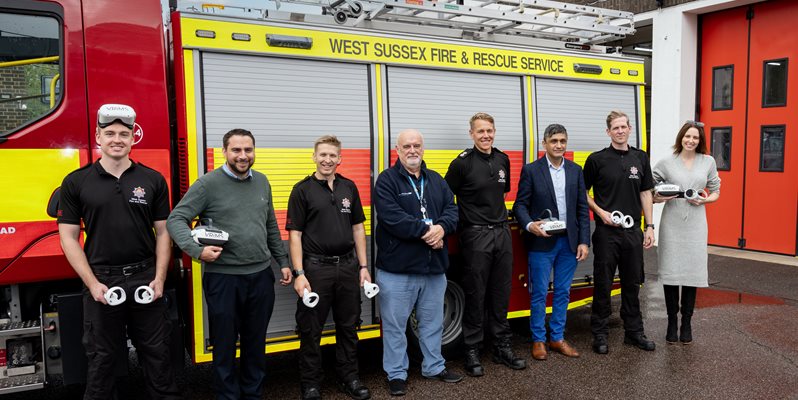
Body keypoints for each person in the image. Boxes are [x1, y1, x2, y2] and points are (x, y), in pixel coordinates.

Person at [57, 104, 181, 400]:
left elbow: (164, 232)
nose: (117, 139)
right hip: (102, 281)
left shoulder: (152, 180)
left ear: (133, 137)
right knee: (101, 362)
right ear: (97, 137)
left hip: (145, 279)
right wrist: (92, 284)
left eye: (124, 133)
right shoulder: (76, 182)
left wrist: (160, 278)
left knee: (158, 357)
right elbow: (68, 238)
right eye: (109, 133)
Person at [166, 128, 291, 400]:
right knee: (224, 346)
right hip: (224, 279)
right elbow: (175, 219)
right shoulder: (208, 184)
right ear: (224, 152)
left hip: (260, 276)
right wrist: (197, 251)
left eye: (248, 150)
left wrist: (282, 260)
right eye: (236, 150)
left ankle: (252, 394)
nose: (243, 156)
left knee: (255, 344)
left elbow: (269, 225)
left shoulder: (262, 181)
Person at [373, 129, 462, 396]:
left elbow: (452, 210)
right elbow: (391, 217)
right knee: (395, 325)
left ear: (423, 149)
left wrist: (442, 229)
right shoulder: (387, 181)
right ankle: (396, 374)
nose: (412, 150)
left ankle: (434, 366)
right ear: (397, 151)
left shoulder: (436, 180)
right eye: (407, 146)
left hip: (434, 267)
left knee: (432, 322)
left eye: (417, 145)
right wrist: (428, 232)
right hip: (397, 270)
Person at [286, 135, 371, 400]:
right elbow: (295, 235)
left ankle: (350, 377)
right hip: (315, 269)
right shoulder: (302, 190)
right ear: (314, 157)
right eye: (322, 155)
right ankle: (311, 383)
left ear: (339, 158)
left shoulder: (349, 187)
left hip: (347, 267)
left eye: (332, 155)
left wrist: (363, 267)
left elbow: (358, 228)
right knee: (311, 329)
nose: (327, 160)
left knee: (349, 325)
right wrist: (299, 274)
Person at [444, 112, 526, 376]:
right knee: (475, 294)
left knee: (501, 292)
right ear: (471, 134)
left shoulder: (503, 159)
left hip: (502, 232)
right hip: (475, 235)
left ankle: (502, 347)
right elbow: (448, 197)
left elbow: (501, 194)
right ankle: (472, 350)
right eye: (480, 131)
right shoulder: (461, 164)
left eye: (489, 130)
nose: (486, 135)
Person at [513, 123, 590, 360]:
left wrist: (583, 241)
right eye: (554, 141)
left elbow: (581, 208)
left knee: (563, 291)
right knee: (538, 293)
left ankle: (556, 337)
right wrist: (530, 226)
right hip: (542, 242)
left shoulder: (576, 171)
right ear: (544, 143)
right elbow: (520, 205)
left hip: (569, 242)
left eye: (563, 141)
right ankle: (538, 340)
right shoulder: (531, 170)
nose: (559, 145)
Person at [583, 110, 656, 354]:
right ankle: (600, 334)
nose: (620, 131)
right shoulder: (597, 160)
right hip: (607, 233)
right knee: (603, 284)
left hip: (633, 231)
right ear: (608, 132)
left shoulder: (640, 158)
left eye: (623, 126)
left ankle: (634, 333)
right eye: (615, 128)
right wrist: (601, 213)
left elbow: (646, 193)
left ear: (629, 128)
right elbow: (581, 193)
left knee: (632, 284)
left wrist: (649, 226)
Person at [652, 121, 720, 345]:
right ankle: (672, 322)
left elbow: (716, 190)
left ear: (700, 141)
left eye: (695, 138)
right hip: (672, 220)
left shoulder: (707, 161)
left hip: (696, 222)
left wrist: (705, 200)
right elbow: (650, 187)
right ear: (681, 137)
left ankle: (687, 322)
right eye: (687, 136)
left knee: (691, 272)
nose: (691, 141)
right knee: (672, 272)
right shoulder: (667, 162)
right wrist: (659, 196)